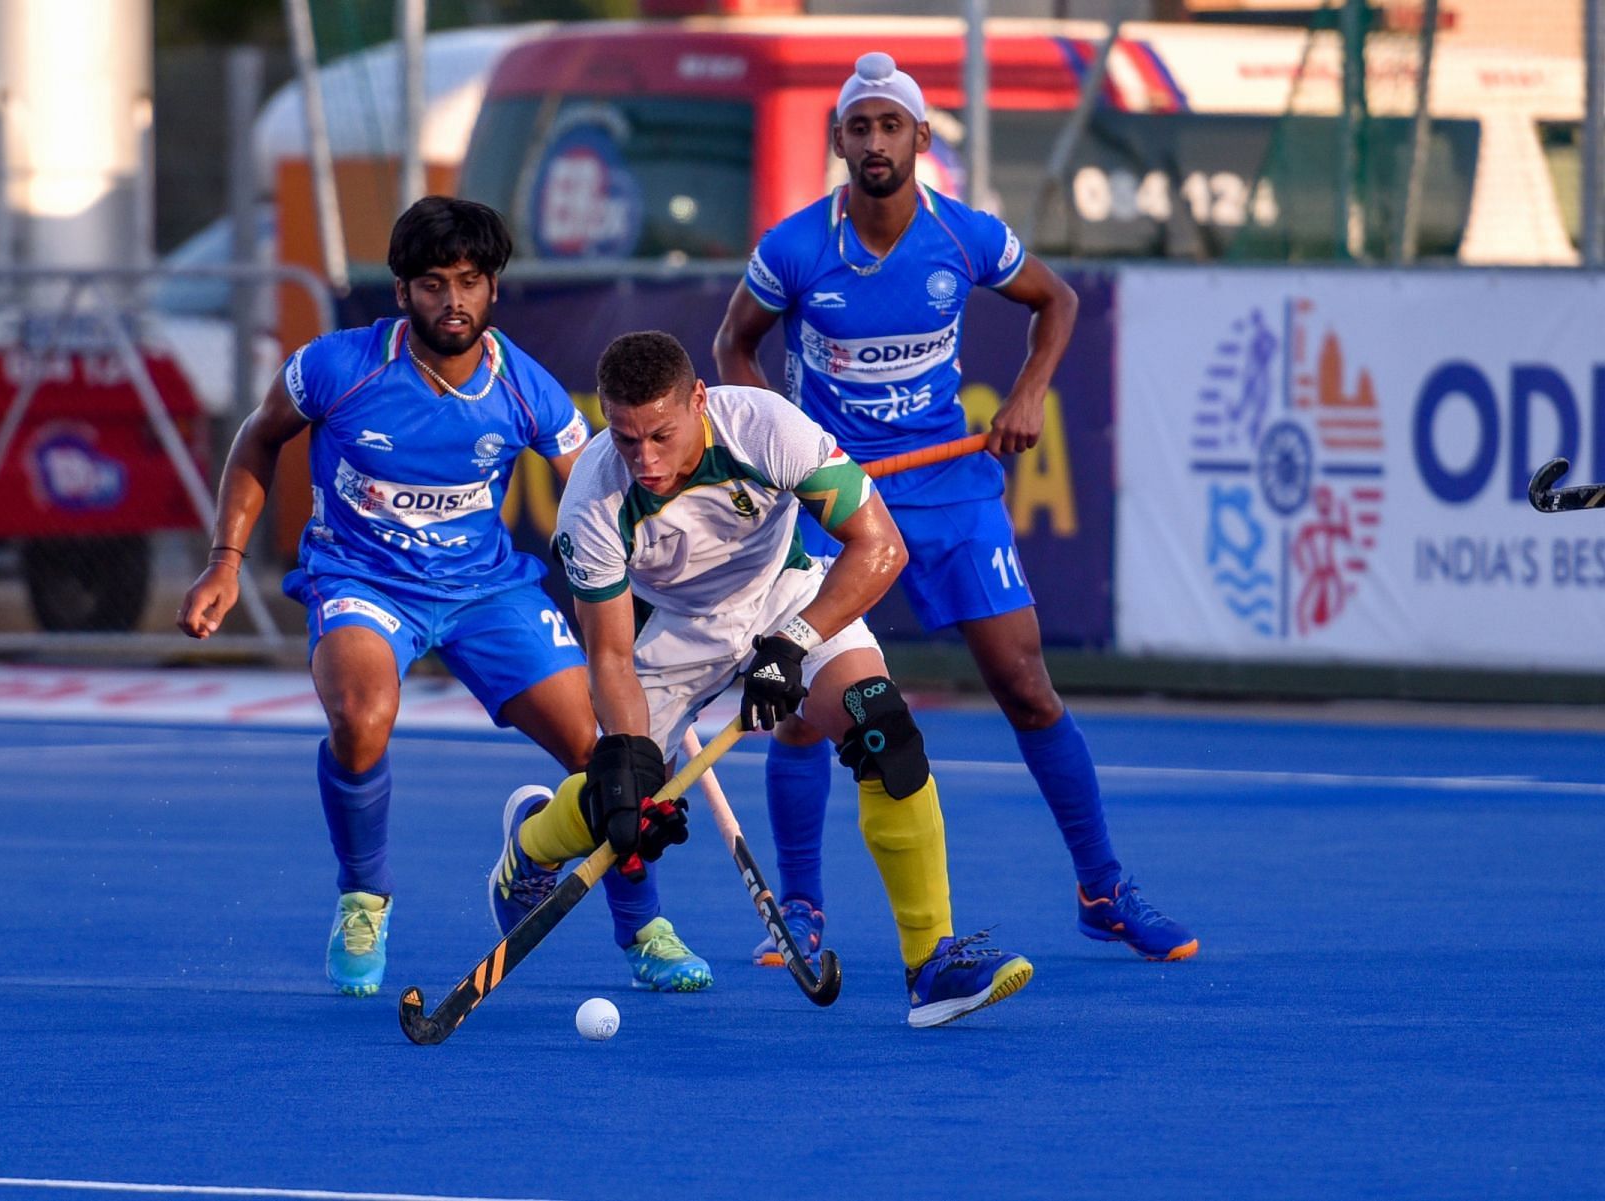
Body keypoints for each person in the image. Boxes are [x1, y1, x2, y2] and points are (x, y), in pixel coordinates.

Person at [712, 52, 1197, 965]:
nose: (875, 143)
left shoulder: (964, 235)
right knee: (810, 708)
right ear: (839, 142)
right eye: (859, 128)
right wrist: (780, 453)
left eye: (892, 126)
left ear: (921, 139)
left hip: (953, 491)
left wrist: (1025, 397)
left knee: (1025, 685)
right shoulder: (795, 248)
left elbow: (1056, 300)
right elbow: (732, 346)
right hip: (836, 499)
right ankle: (801, 909)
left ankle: (1104, 891)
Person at [176, 197, 710, 997]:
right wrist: (225, 559)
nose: (452, 301)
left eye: (469, 281)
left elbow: (601, 486)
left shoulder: (525, 388)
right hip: (361, 580)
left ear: (493, 289)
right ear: (401, 292)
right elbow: (258, 438)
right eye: (432, 283)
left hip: (486, 591)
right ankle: (364, 895)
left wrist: (670, 571)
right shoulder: (336, 366)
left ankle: (642, 925)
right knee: (362, 719)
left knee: (610, 749)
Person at [488, 329, 1033, 1028]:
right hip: (674, 629)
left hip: (787, 597)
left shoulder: (767, 427)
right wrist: (626, 757)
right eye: (626, 439)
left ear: (699, 401)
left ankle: (931, 964)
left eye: (660, 434)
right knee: (617, 797)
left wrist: (795, 642)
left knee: (882, 726)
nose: (645, 459)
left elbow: (881, 546)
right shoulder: (593, 499)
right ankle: (530, 846)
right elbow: (611, 656)